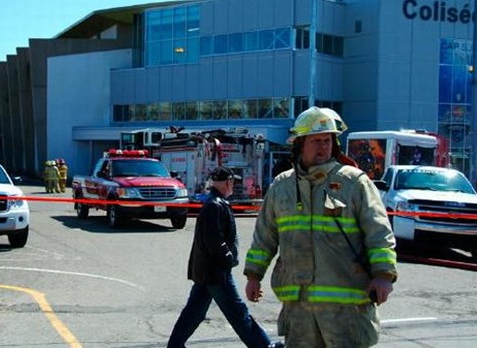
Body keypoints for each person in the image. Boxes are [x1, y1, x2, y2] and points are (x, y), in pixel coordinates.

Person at [243, 106, 398, 347]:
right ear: (300, 144)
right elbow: (265, 236)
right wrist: (254, 275)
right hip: (299, 308)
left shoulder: (354, 182)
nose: (323, 146)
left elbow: (379, 233)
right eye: (316, 140)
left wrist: (383, 275)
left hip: (346, 309)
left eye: (328, 140)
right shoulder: (282, 186)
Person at [168, 166, 278, 348]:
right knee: (238, 313)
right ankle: (264, 346)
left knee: (193, 313)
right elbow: (215, 241)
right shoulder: (215, 205)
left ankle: (175, 345)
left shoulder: (214, 203)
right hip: (216, 273)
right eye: (232, 182)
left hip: (207, 273)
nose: (233, 185)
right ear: (228, 182)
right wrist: (228, 259)